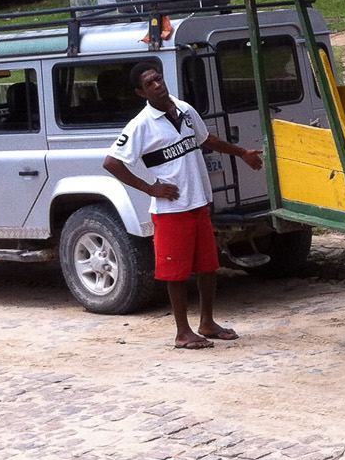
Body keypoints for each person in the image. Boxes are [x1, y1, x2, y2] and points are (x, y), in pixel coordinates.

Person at [103, 59, 264, 350]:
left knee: (207, 266)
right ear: (141, 93)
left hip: (198, 203)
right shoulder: (140, 125)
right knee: (175, 272)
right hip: (171, 210)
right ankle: (182, 332)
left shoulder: (185, 110)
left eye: (158, 78)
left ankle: (207, 322)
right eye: (149, 83)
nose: (158, 85)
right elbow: (112, 162)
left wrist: (241, 152)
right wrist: (150, 187)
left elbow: (207, 139)